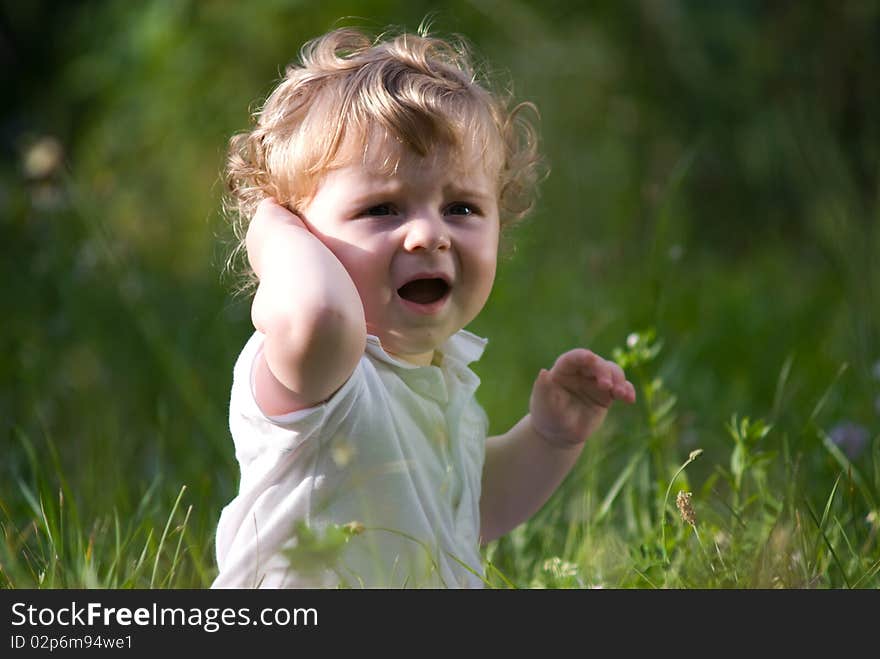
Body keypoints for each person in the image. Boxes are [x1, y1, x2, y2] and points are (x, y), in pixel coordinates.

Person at [212, 25, 636, 589]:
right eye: (383, 209)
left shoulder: (440, 374)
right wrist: (267, 222)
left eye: (460, 208)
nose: (429, 235)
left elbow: (461, 514)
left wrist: (549, 437)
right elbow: (319, 313)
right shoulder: (319, 375)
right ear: (303, 239)